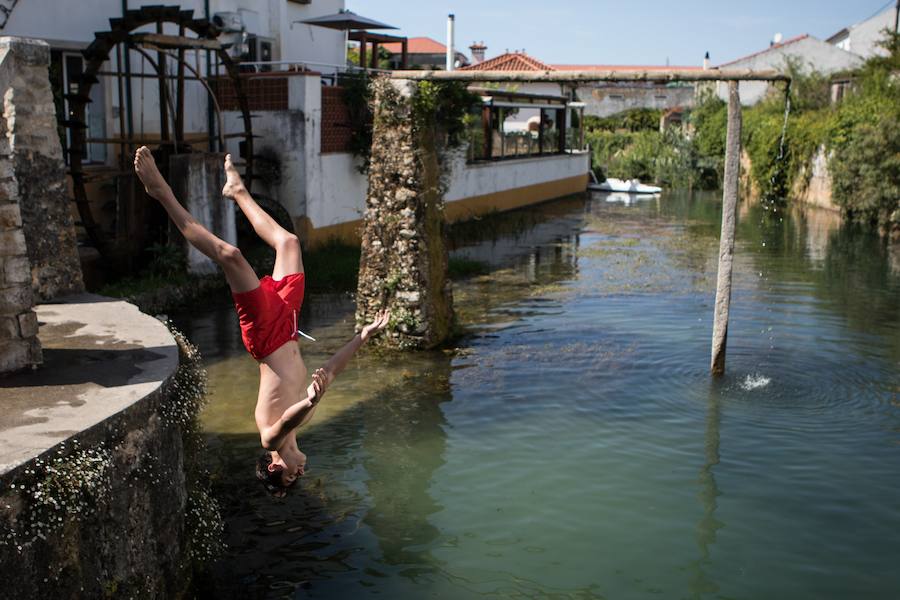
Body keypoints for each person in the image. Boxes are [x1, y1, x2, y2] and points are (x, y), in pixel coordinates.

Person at [133, 147, 390, 497]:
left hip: (267, 338)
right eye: (297, 478)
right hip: (289, 327)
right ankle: (238, 191)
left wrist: (311, 401)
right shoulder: (307, 418)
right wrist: (363, 335)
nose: (299, 473)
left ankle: (160, 193)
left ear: (274, 465)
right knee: (289, 243)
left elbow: (287, 419)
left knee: (230, 256)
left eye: (289, 476)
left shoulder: (270, 434)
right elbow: (331, 369)